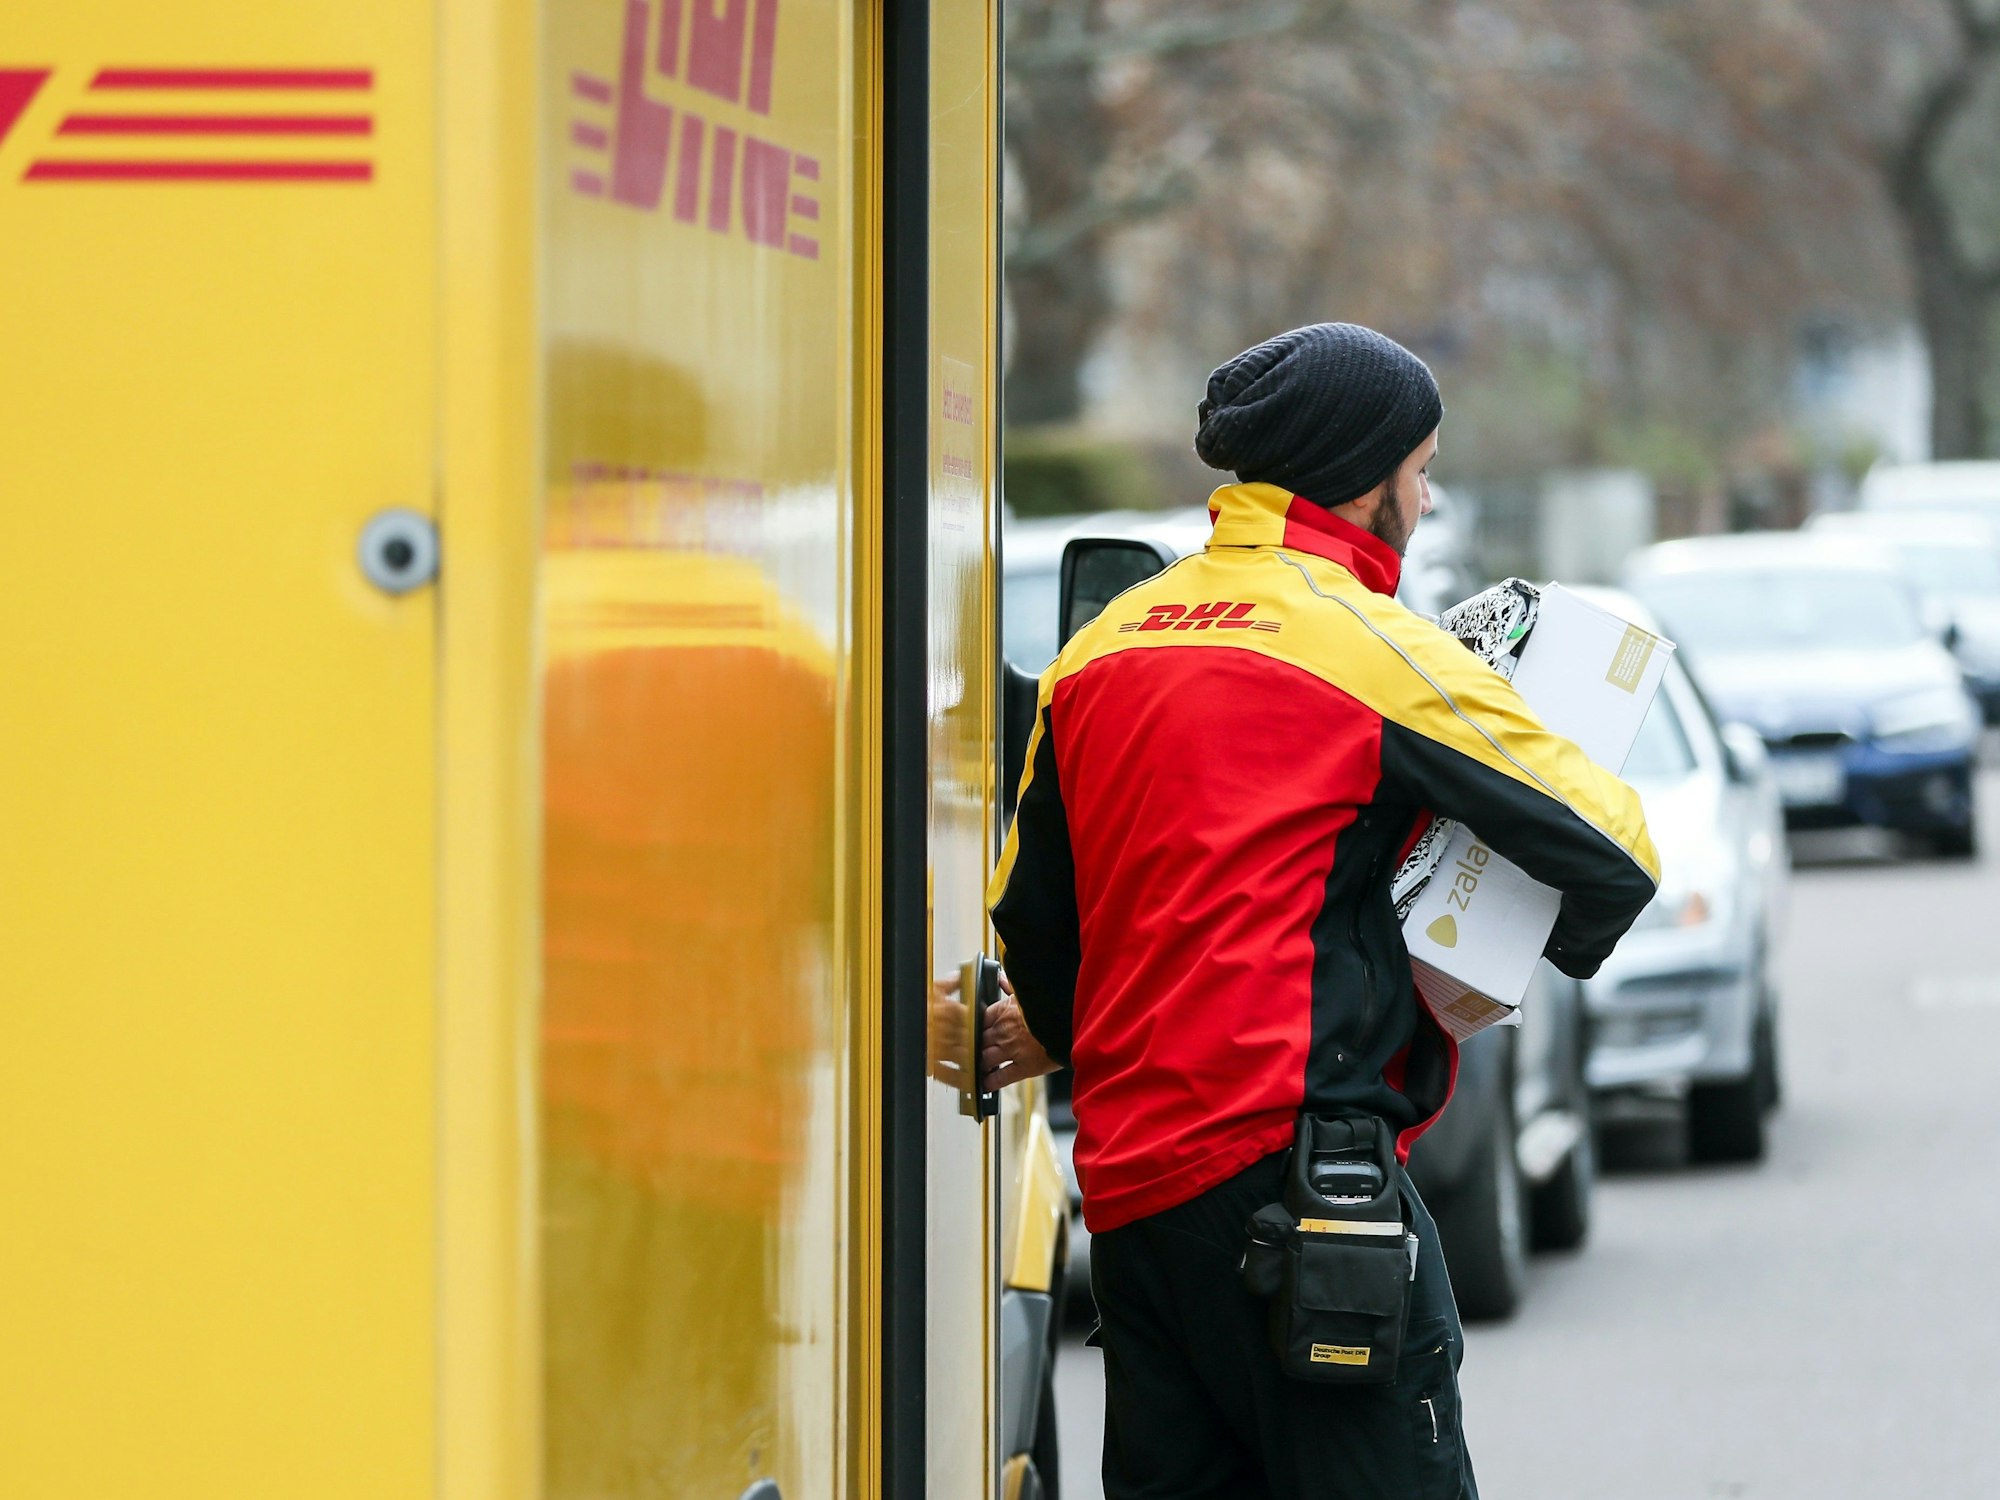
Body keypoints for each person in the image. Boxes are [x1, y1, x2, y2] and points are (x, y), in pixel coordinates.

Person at [981, 322, 1659, 1499]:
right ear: (1371, 477)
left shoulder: (1098, 649)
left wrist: (1069, 1027)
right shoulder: (1363, 647)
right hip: (1306, 1210)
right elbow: (1610, 847)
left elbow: (1033, 924)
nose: (1427, 498)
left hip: (1135, 1215)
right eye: (1423, 469)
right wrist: (1485, 958)